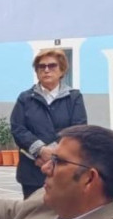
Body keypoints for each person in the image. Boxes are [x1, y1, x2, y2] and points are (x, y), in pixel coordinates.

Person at [10, 48, 88, 199]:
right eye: (41, 66)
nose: (46, 70)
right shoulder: (25, 98)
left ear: (62, 70)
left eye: (52, 66)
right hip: (32, 169)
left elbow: (78, 129)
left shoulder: (74, 97)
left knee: (63, 216)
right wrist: (40, 150)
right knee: (33, 217)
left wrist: (52, 155)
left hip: (64, 169)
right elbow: (18, 128)